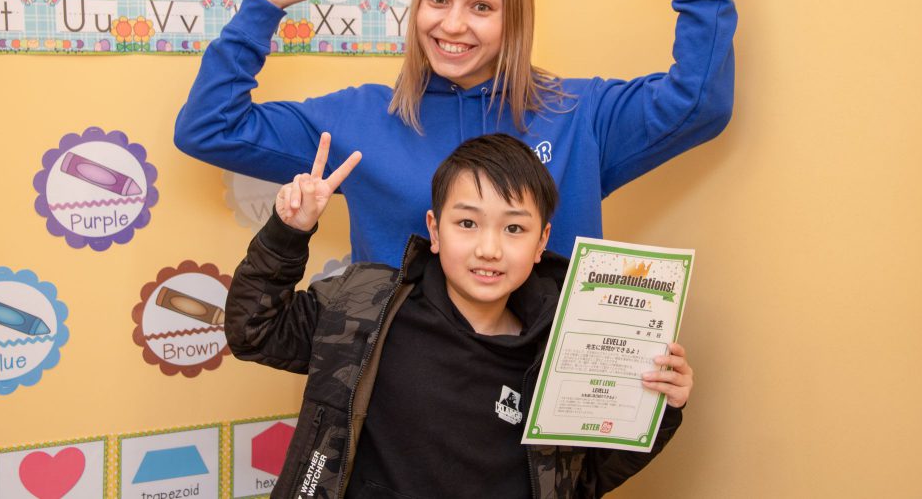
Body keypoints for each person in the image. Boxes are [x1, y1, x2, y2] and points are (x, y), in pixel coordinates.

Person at [175, 0, 735, 267]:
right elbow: (210, 128)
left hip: (543, 393)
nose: (453, 24)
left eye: (482, 7)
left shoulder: (578, 114)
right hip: (406, 390)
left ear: (514, 19)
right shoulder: (359, 121)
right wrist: (260, 10)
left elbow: (699, 104)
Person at [225, 132, 694, 498]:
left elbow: (584, 480)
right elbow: (254, 331)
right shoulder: (365, 305)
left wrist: (658, 409)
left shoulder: (563, 348)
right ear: (435, 230)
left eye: (514, 228)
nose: (489, 249)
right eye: (467, 223)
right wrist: (289, 231)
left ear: (541, 242)